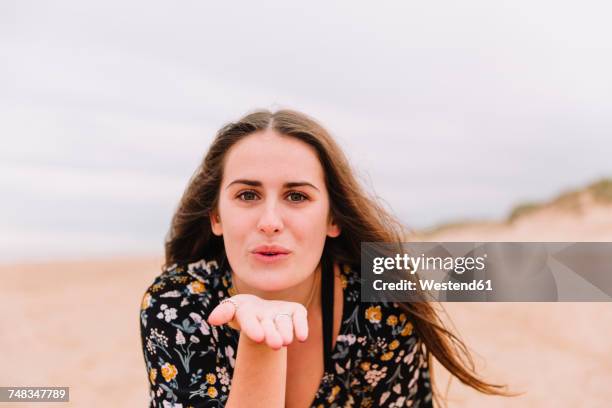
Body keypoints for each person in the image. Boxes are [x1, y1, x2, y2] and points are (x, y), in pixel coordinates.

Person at [139, 109, 508, 407]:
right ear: (216, 217)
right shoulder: (177, 303)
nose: (270, 222)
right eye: (248, 195)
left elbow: (532, 269)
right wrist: (262, 341)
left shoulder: (379, 303)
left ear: (333, 218)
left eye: (297, 196)